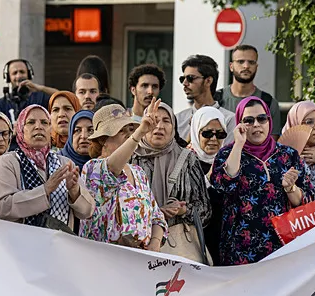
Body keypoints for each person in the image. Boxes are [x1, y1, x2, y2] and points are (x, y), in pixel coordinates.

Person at [211, 97, 309, 266]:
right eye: (248, 120)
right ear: (239, 124)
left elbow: (307, 201)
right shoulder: (227, 153)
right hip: (239, 249)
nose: (256, 124)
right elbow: (224, 185)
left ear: (269, 121)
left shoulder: (288, 155)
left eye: (261, 119)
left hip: (283, 246)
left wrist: (291, 188)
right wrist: (238, 145)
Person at [81, 102, 167, 251]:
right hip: (105, 261)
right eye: (122, 130)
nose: (129, 134)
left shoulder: (138, 172)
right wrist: (139, 133)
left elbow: (157, 217)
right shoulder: (93, 168)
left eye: (130, 129)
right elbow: (112, 168)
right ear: (103, 139)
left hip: (140, 262)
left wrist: (155, 243)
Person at [0, 105, 94, 232]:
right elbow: (3, 208)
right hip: (19, 245)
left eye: (44, 122)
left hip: (59, 247)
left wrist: (74, 191)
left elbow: (87, 211)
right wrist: (45, 190)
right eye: (30, 122)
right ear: (20, 129)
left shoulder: (65, 164)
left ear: (50, 130)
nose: (38, 126)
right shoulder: (8, 162)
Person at [132, 103, 211, 263]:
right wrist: (157, 213)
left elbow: (205, 211)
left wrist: (183, 211)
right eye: (154, 120)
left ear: (174, 127)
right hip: (139, 245)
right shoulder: (131, 158)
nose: (159, 126)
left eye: (166, 121)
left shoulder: (188, 159)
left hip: (180, 247)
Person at [190, 106, 228, 265]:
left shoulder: (230, 162)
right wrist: (207, 178)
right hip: (196, 242)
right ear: (196, 132)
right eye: (207, 133)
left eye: (220, 134)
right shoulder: (186, 162)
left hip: (225, 242)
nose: (214, 139)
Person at [216, 45, 281, 136]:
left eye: (251, 62)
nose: (246, 66)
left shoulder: (269, 102)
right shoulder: (216, 100)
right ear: (231, 66)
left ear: (256, 66)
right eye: (240, 62)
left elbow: (271, 143)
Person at [175, 55, 235, 144]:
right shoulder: (178, 119)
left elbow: (225, 155)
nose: (184, 83)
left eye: (190, 78)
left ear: (208, 81)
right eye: (182, 78)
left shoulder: (229, 119)